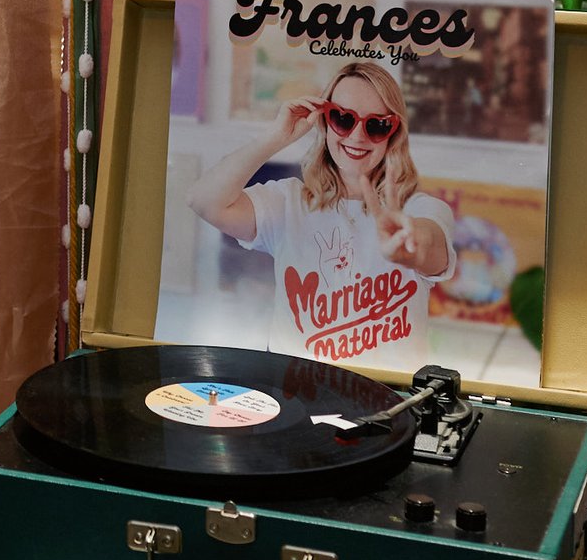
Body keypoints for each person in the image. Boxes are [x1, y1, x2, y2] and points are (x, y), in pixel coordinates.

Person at [187, 61, 455, 366]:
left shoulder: (421, 208)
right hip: (299, 398)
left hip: (387, 404)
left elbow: (429, 245)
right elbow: (202, 200)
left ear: (394, 132)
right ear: (325, 122)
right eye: (343, 119)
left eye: (376, 125)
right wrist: (275, 137)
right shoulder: (288, 201)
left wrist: (409, 247)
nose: (357, 136)